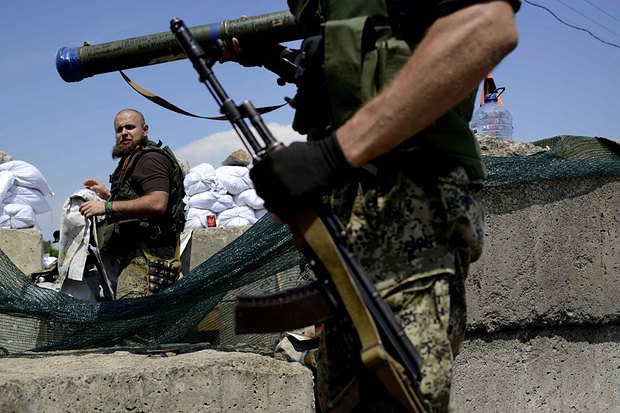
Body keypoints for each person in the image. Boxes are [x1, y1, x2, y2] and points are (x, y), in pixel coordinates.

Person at [228, 0, 520, 411]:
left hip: (409, 196)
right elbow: (368, 69)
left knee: (396, 395)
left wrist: (333, 155)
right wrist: (278, 58)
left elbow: (487, 27)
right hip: (346, 206)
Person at [79, 109, 186, 299]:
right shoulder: (133, 160)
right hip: (138, 258)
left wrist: (107, 207)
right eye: (119, 129)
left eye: (130, 127)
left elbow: (157, 203)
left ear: (144, 130)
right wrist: (107, 195)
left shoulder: (149, 159)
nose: (124, 133)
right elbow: (138, 199)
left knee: (134, 321)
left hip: (148, 259)